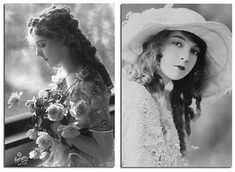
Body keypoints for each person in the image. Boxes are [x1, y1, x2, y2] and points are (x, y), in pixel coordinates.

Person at [122, 4, 231, 167]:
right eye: (178, 43)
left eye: (194, 51)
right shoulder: (138, 96)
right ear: (158, 47)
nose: (186, 57)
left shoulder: (165, 100)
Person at [27, 5, 114, 167]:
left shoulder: (89, 84)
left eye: (42, 45)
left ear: (61, 39)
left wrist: (58, 127)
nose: (38, 53)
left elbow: (105, 151)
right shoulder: (62, 74)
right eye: (36, 46)